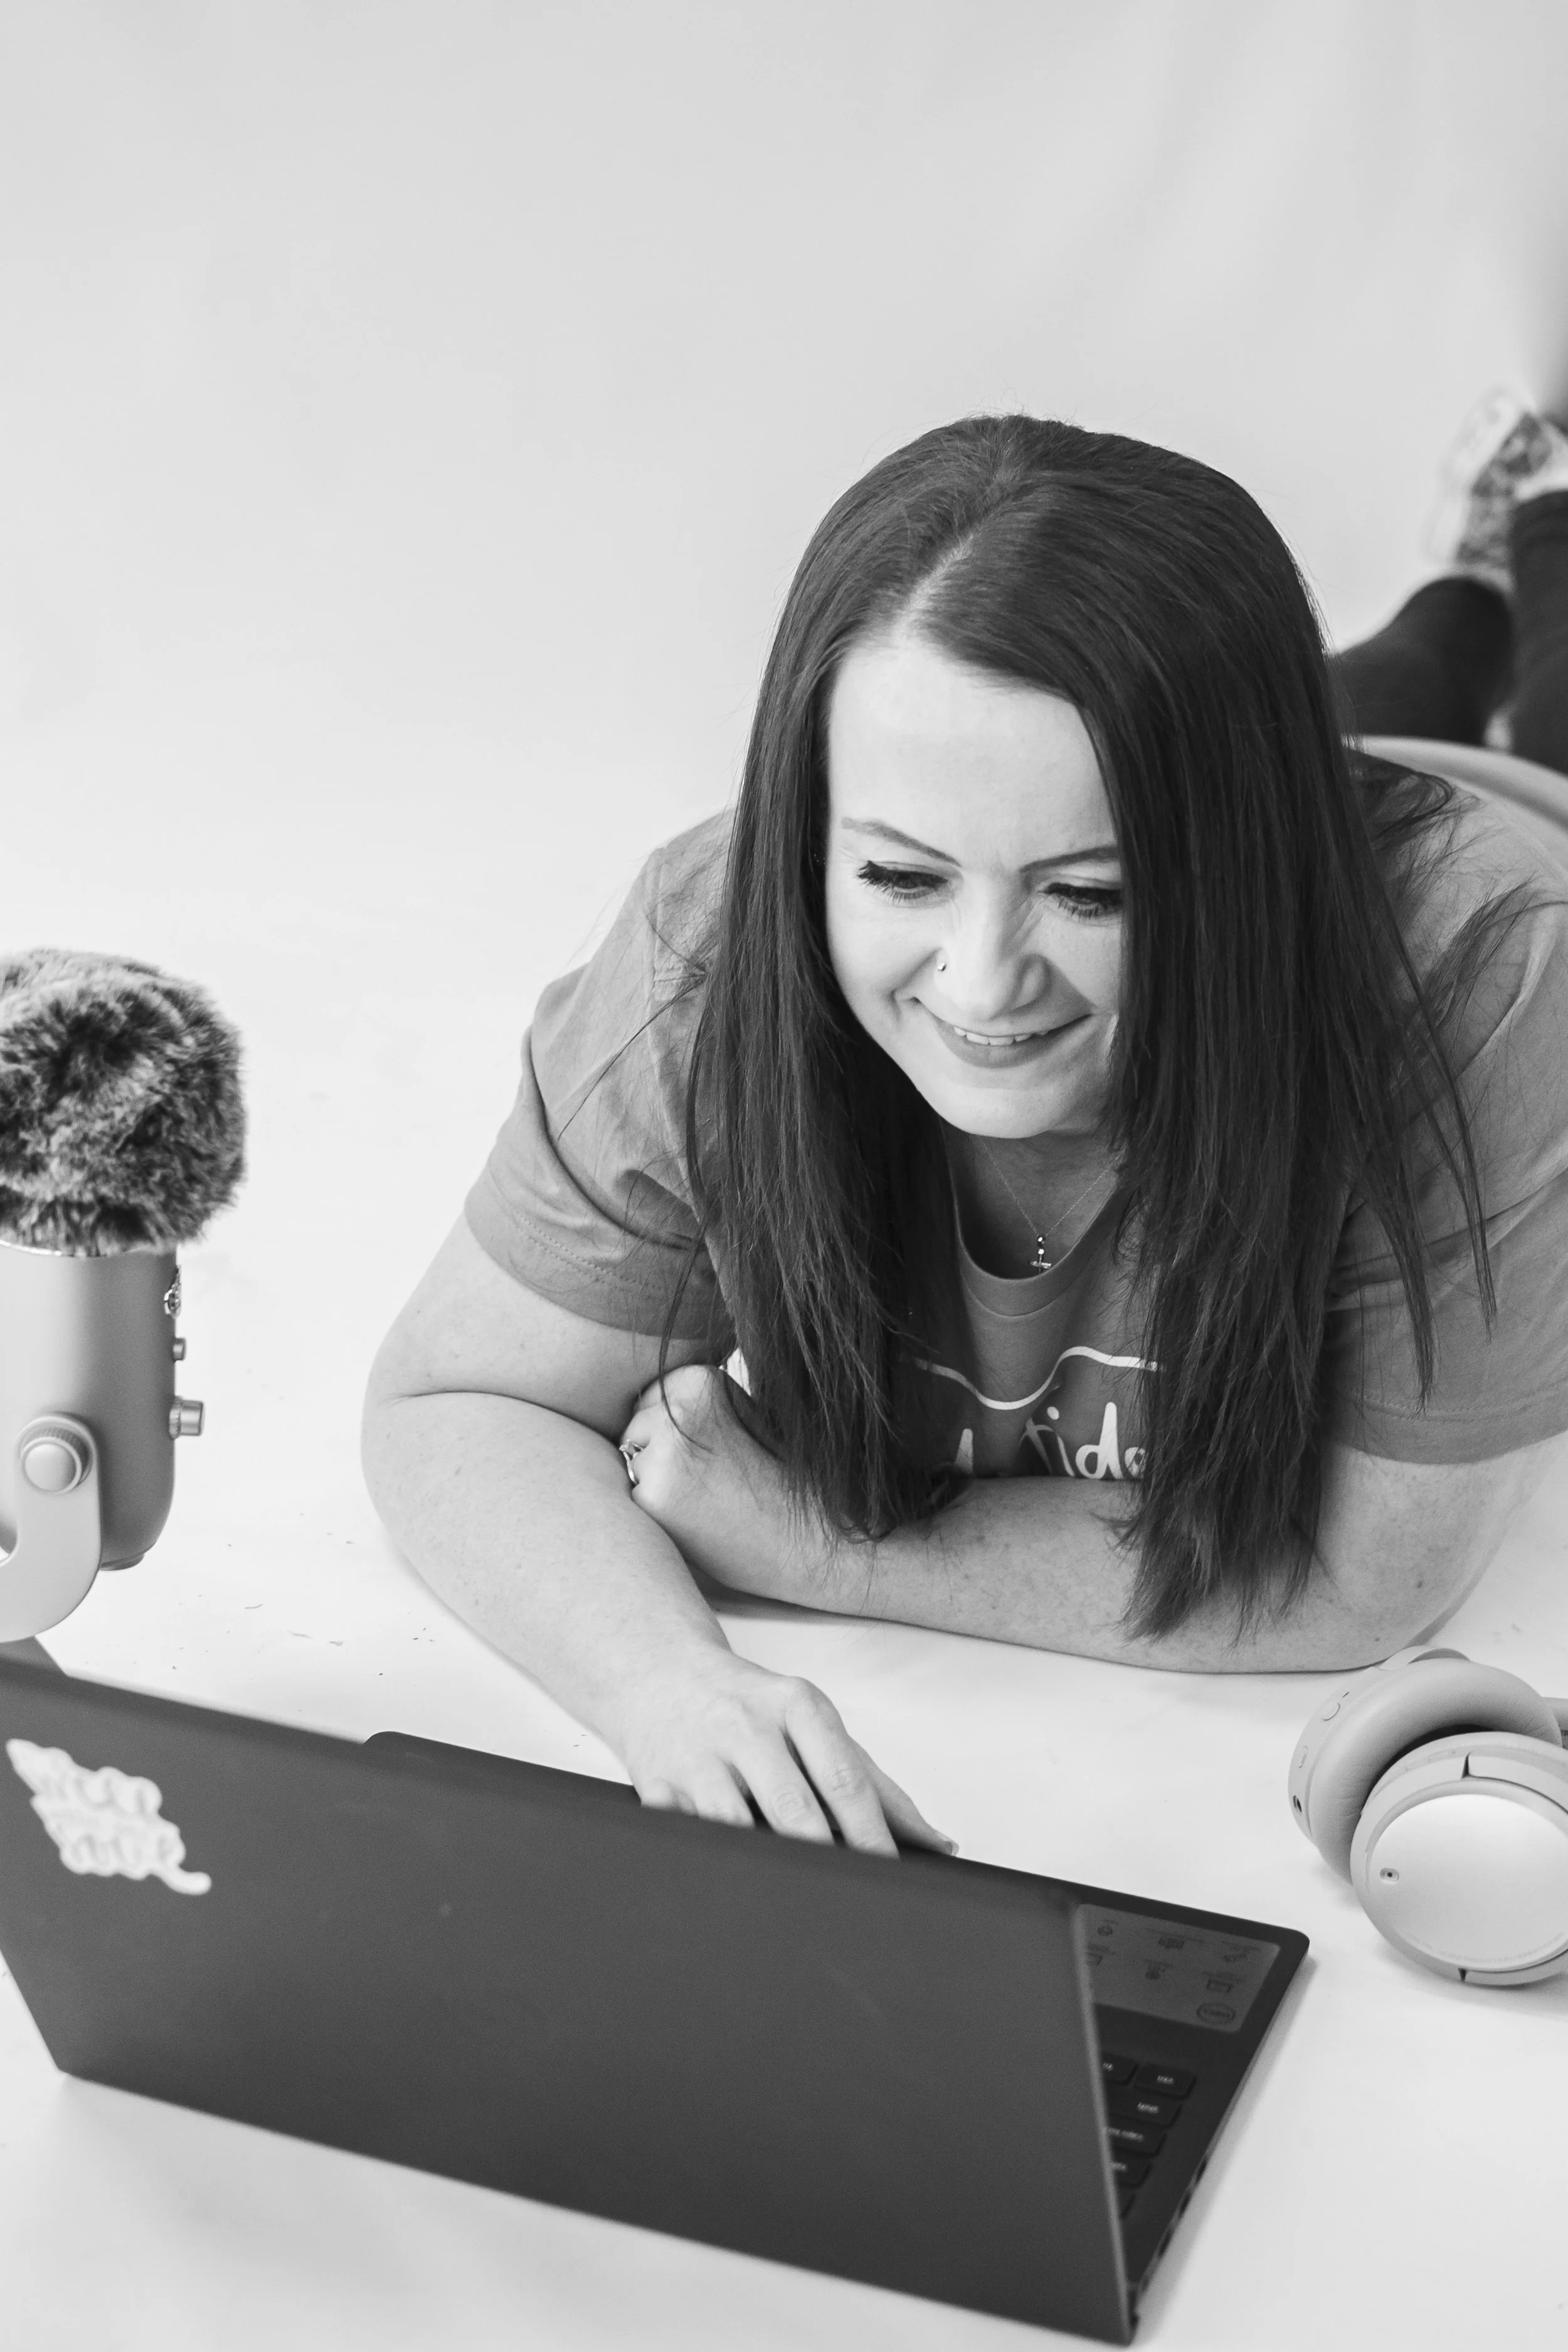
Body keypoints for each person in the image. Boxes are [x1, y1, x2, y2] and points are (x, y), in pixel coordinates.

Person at [363, 397, 1568, 1857]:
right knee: (1382, 680)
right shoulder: (711, 942)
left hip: (1503, 836)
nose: (983, 985)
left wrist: (831, 1550)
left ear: (1237, 871)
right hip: (1247, 760)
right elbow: (460, 1405)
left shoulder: (1485, 980)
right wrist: (669, 1687)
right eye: (900, 876)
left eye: (1091, 896)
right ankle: (1463, 592)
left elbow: (1367, 1576)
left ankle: (1536, 534)